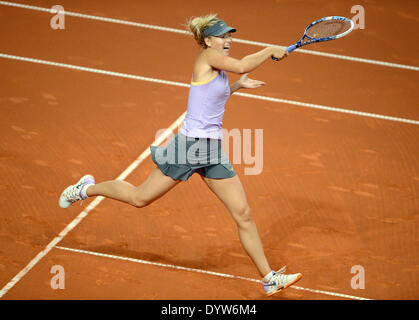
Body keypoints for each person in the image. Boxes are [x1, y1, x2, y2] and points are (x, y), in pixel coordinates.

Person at [59, 13, 302, 296]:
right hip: (188, 148)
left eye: (229, 35)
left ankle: (268, 278)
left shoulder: (218, 67)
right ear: (208, 40)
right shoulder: (207, 58)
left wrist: (237, 86)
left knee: (243, 213)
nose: (228, 40)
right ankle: (85, 189)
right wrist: (270, 49)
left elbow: (213, 96)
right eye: (222, 36)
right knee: (139, 198)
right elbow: (243, 64)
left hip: (211, 151)